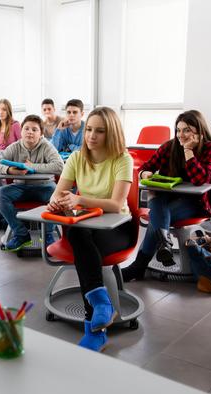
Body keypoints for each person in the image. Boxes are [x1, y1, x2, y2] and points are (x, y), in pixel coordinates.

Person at [47, 107, 134, 352]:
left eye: (100, 131)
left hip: (117, 229)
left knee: (83, 245)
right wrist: (57, 201)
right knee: (78, 233)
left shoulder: (122, 159)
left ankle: (95, 328)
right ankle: (101, 306)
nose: (91, 136)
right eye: (89, 130)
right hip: (85, 227)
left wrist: (80, 200)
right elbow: (58, 193)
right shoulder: (76, 157)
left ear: (112, 133)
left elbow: (116, 205)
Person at [122, 110, 211, 282]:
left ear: (199, 131)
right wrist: (145, 174)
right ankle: (164, 245)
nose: (181, 135)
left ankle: (139, 265)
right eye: (178, 130)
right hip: (166, 199)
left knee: (156, 219)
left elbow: (200, 180)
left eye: (187, 130)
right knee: (158, 204)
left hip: (195, 203)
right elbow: (146, 167)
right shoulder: (169, 146)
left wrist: (188, 151)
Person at [0, 114, 63, 251]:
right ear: (21, 132)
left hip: (44, 187)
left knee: (56, 195)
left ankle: (47, 234)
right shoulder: (14, 147)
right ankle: (21, 234)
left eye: (34, 129)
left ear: (41, 133)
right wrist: (9, 170)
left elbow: (59, 166)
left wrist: (32, 166)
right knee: (0, 194)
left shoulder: (47, 146)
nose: (30, 132)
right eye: (26, 128)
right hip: (21, 187)